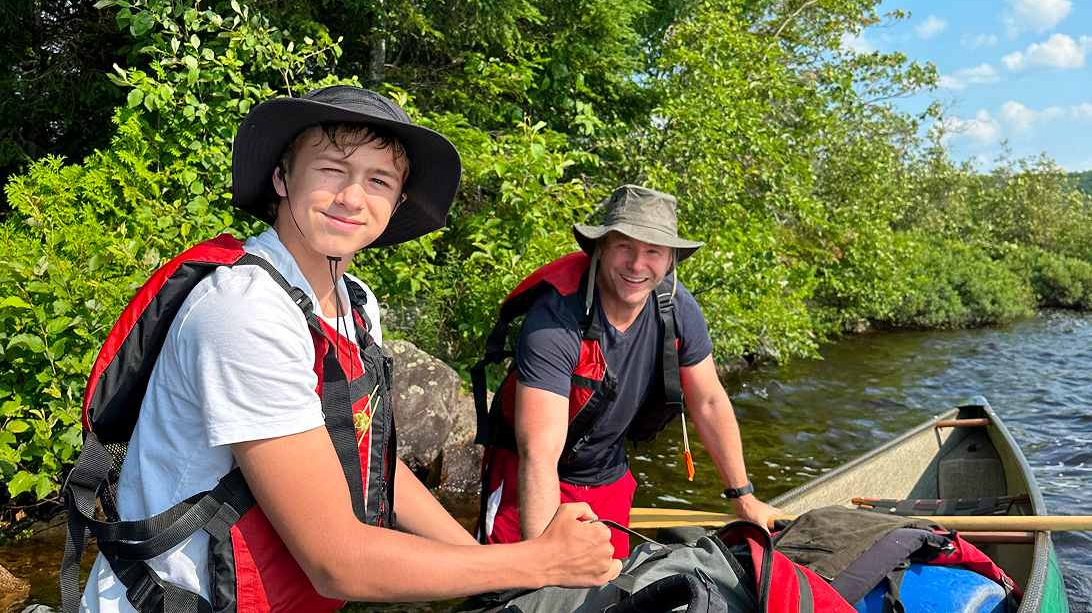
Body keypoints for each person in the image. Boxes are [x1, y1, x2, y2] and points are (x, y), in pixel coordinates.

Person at [76, 86, 619, 613]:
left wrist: (479, 565)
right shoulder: (246, 310)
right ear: (282, 178)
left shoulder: (355, 303)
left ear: (397, 201)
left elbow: (370, 456)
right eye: (332, 169)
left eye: (378, 179)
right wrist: (537, 563)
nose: (352, 197)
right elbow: (336, 562)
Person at [479, 184, 780, 558]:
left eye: (653, 252)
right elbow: (539, 451)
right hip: (530, 479)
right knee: (517, 590)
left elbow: (709, 400)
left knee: (608, 593)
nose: (637, 266)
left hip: (609, 477)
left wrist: (744, 498)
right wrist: (542, 564)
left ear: (670, 260)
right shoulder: (555, 320)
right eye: (625, 247)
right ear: (601, 249)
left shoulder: (677, 308)